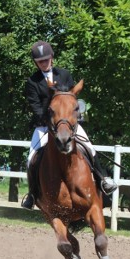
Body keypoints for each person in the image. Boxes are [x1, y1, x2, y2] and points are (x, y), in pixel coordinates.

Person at [21, 40, 117, 210]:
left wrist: (73, 118)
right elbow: (35, 107)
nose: (44, 63)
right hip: (44, 126)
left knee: (89, 147)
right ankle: (33, 193)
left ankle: (103, 180)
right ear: (35, 63)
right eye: (40, 61)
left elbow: (73, 99)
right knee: (31, 159)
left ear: (52, 58)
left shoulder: (64, 75)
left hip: (68, 125)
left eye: (46, 59)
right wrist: (51, 121)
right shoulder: (32, 82)